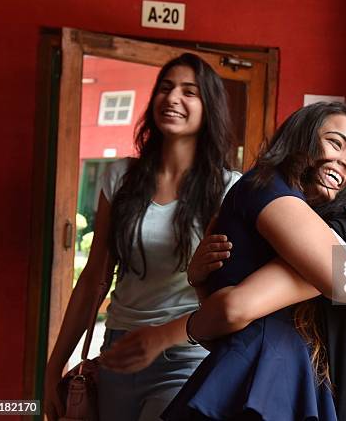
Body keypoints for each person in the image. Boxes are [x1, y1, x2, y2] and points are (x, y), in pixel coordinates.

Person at [161, 102, 346, 421]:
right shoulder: (269, 189)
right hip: (268, 367)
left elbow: (226, 320)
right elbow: (339, 279)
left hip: (269, 362)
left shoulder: (297, 208)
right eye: (335, 143)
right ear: (302, 136)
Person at [44, 53, 241, 421]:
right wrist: (53, 366)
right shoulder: (120, 177)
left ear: (209, 106)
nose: (172, 98)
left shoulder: (228, 188)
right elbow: (93, 280)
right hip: (118, 349)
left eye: (189, 91)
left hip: (186, 351)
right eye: (165, 89)